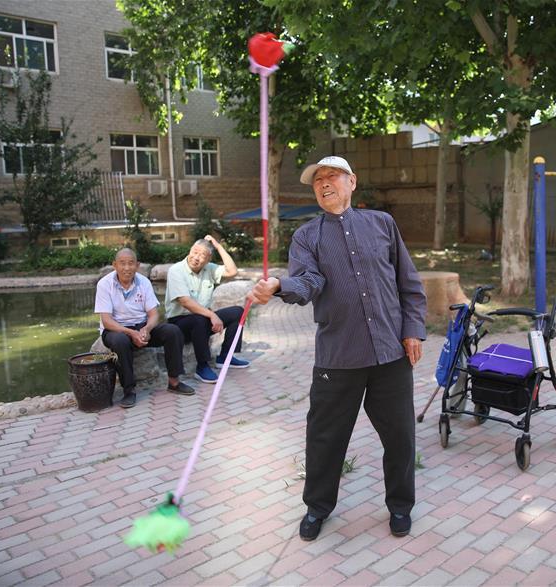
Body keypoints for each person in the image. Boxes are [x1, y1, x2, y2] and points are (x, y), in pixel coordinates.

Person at [249, 155, 427, 541]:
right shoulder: (307, 236)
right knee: (325, 438)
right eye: (318, 180)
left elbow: (408, 282)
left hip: (390, 353)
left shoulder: (382, 223)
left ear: (352, 181)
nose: (324, 183)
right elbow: (308, 281)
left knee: (400, 437)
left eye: (332, 176)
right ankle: (317, 507)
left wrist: (413, 330)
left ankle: (400, 506)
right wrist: (280, 286)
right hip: (338, 356)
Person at [94, 248, 195, 408]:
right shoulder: (105, 284)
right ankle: (129, 390)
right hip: (116, 330)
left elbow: (154, 314)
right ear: (115, 265)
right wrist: (131, 333)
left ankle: (174, 382)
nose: (127, 268)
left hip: (141, 327)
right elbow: (106, 321)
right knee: (120, 341)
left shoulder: (144, 282)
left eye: (131, 263)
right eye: (122, 263)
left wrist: (147, 329)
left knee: (172, 331)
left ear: (137, 265)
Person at [165, 236, 250, 384]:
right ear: (190, 250)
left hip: (202, 320)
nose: (196, 257)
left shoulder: (209, 268)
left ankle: (225, 356)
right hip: (179, 324)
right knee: (200, 318)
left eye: (202, 255)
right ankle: (202, 366)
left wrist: (218, 246)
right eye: (195, 252)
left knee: (238, 312)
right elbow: (185, 301)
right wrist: (212, 315)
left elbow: (232, 271)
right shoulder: (176, 270)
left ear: (208, 259)